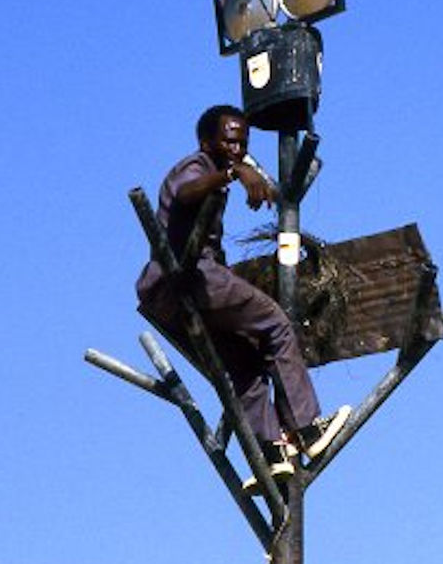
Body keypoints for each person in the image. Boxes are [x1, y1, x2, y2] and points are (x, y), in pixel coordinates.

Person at [136, 104, 350, 491]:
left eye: (243, 143)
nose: (237, 148)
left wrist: (238, 175)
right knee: (276, 324)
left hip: (169, 294)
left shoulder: (217, 172)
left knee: (245, 365)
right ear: (207, 142)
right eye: (229, 141)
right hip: (191, 276)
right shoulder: (195, 167)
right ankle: (306, 429)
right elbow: (186, 194)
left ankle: (272, 453)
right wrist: (234, 173)